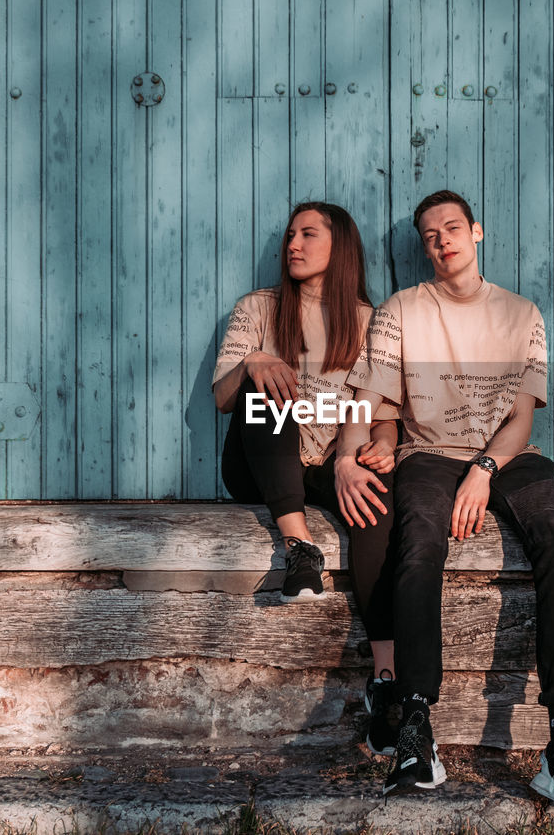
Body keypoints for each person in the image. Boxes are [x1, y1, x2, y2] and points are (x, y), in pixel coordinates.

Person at [334, 190, 554, 819]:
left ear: (477, 232)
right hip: (428, 454)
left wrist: (485, 469)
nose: (442, 241)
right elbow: (368, 398)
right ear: (423, 245)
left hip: (509, 457)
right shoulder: (401, 311)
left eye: (452, 228)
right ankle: (416, 725)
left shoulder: (522, 314)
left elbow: (518, 420)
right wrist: (347, 458)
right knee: (420, 542)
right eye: (430, 234)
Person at [212, 201, 401, 752]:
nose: (292, 244)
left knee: (375, 497)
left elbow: (380, 409)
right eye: (289, 235)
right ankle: (301, 548)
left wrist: (378, 447)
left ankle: (386, 681)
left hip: (332, 460)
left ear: (339, 246)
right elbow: (224, 399)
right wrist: (255, 361)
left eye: (307, 234)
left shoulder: (371, 321)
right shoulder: (259, 308)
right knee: (259, 388)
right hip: (262, 463)